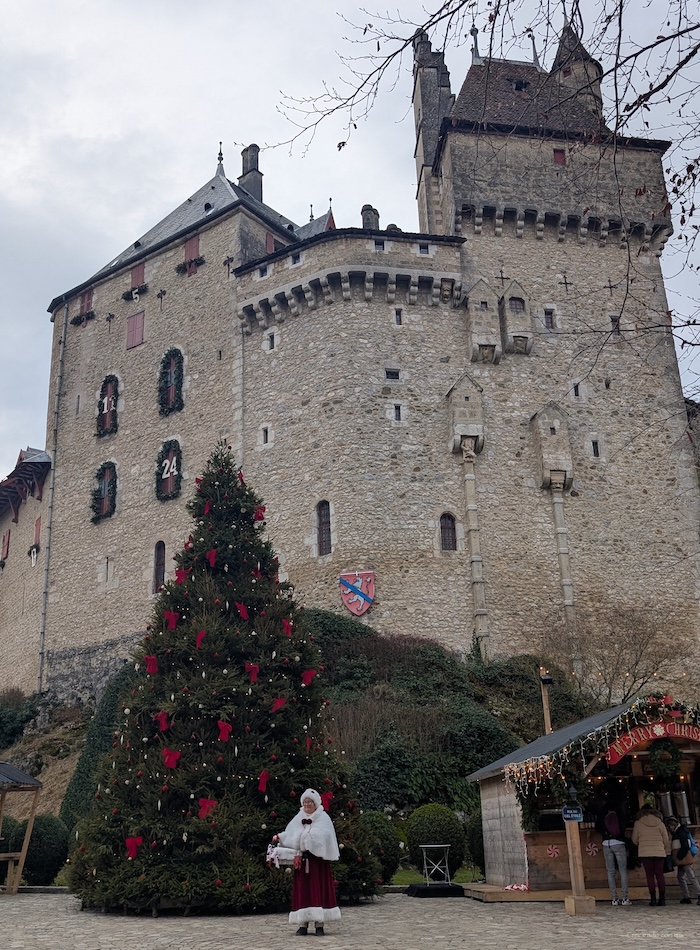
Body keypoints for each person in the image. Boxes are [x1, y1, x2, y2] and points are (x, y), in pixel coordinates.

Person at [273, 788, 341, 936]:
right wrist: (280, 837)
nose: (307, 804)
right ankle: (302, 924)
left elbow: (324, 836)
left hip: (318, 863)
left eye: (310, 802)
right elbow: (290, 833)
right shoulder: (298, 817)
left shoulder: (323, 818)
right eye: (305, 802)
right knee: (303, 891)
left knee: (319, 890)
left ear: (315, 803)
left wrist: (308, 838)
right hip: (302, 862)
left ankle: (319, 925)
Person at [631, 803, 671, 906]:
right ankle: (662, 899)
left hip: (645, 853)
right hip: (659, 852)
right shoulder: (660, 823)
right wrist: (662, 847)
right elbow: (666, 840)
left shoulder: (638, 823)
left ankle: (653, 899)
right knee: (660, 875)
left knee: (650, 876)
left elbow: (634, 840)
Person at [595, 798, 630, 905]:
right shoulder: (620, 814)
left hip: (606, 843)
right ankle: (625, 898)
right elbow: (624, 826)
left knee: (610, 872)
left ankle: (614, 898)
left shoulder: (602, 815)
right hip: (619, 843)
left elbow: (597, 828)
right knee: (622, 871)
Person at [666, 816, 700, 905]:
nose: (669, 828)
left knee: (690, 877)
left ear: (673, 825)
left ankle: (696, 894)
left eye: (670, 826)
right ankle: (686, 896)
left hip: (684, 858)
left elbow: (685, 846)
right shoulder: (681, 831)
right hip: (683, 858)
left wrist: (679, 856)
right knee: (682, 877)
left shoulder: (681, 832)